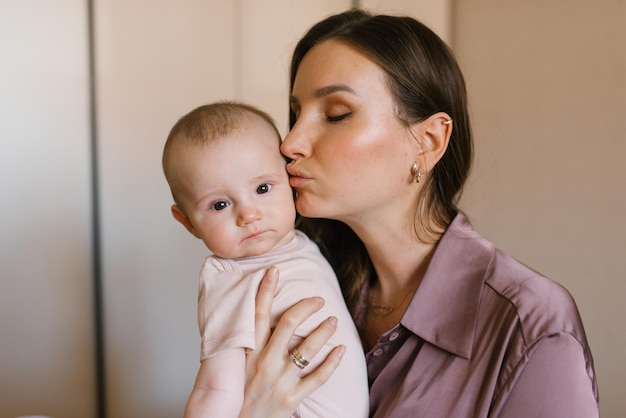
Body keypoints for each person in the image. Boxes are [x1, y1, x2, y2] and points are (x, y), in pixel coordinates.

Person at [239, 9, 600, 418]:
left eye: (336, 113)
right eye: (295, 113)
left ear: (428, 141)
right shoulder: (304, 287)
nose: (291, 143)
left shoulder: (531, 328)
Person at [162, 102, 369, 417]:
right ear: (188, 222)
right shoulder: (229, 278)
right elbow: (216, 388)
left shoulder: (302, 241)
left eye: (262, 188)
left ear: (290, 178)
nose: (248, 214)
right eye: (219, 205)